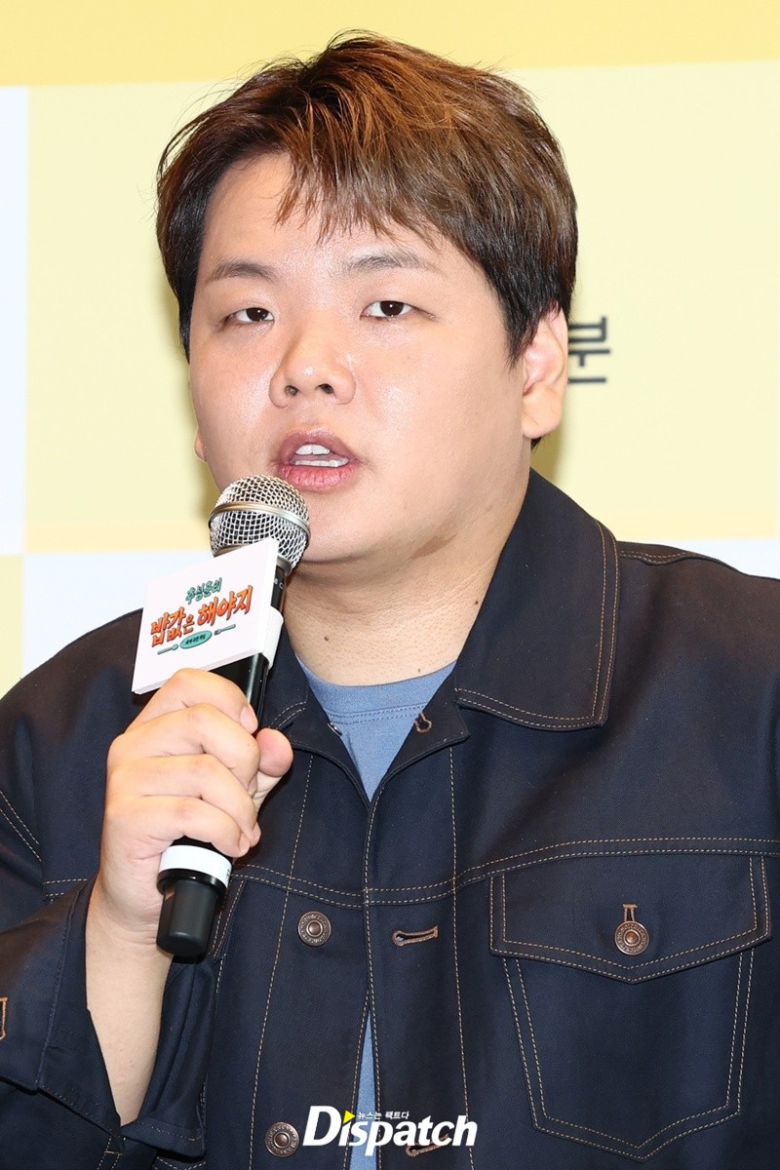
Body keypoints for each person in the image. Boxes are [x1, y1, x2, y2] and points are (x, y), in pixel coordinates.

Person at [0, 31, 778, 1170]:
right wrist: (120, 935)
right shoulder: (59, 742)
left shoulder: (748, 697)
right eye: (248, 315)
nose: (306, 366)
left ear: (538, 366)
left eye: (388, 306)